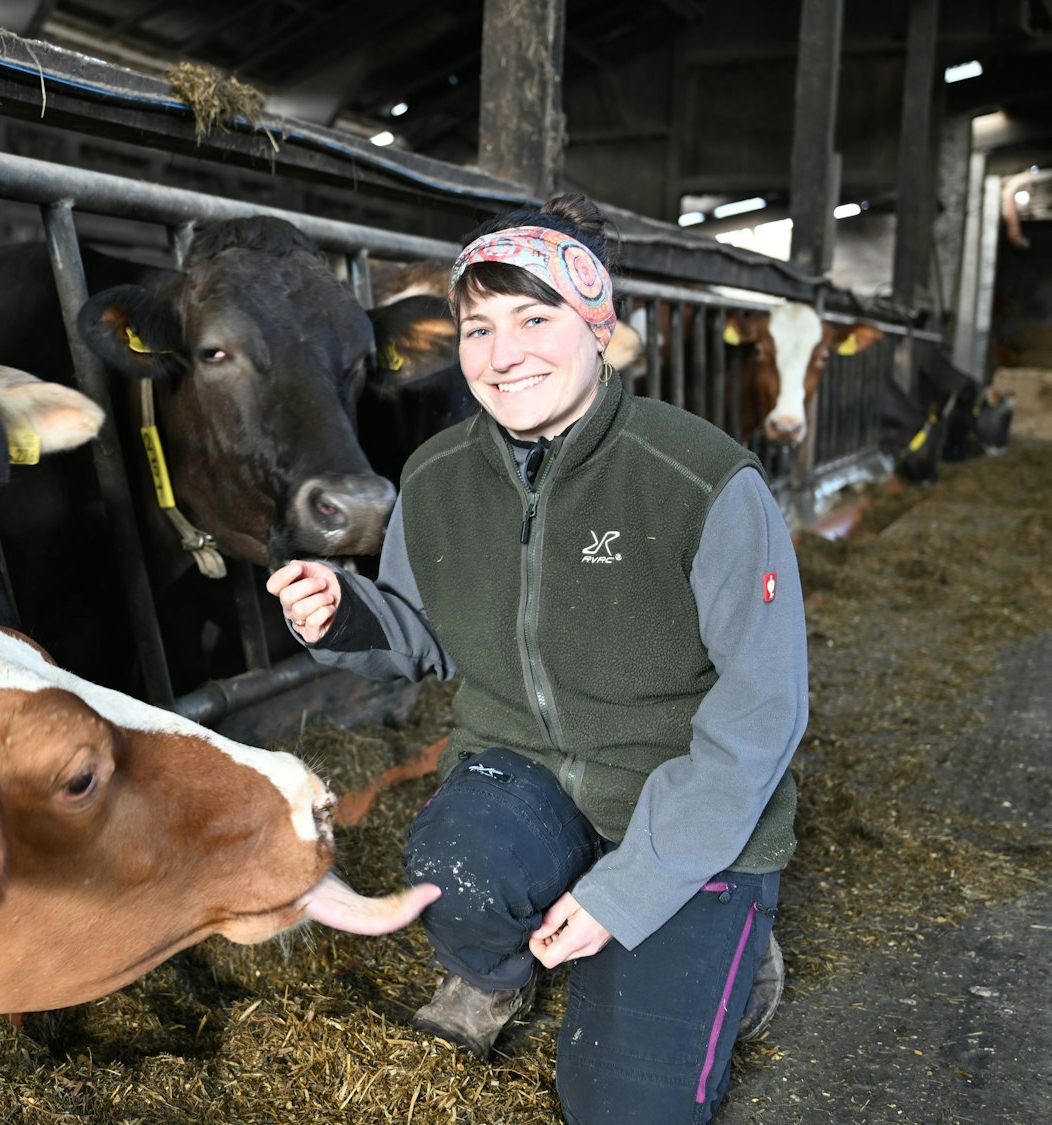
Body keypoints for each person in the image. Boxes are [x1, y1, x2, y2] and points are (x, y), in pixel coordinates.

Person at [268, 193, 805, 1123]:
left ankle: (732, 942)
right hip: (523, 775)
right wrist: (342, 613)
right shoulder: (436, 477)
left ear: (599, 331)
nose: (502, 352)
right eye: (478, 326)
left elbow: (761, 715)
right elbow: (420, 633)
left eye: (535, 317)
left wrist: (626, 890)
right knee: (456, 860)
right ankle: (499, 972)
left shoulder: (703, 480)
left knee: (620, 1107)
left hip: (679, 801)